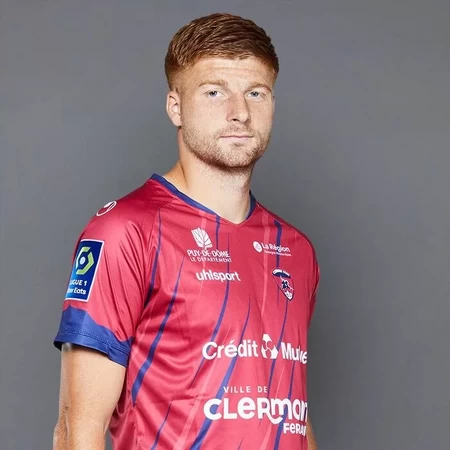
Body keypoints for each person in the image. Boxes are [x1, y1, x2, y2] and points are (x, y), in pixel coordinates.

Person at [53, 12, 320, 450]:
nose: (240, 113)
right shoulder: (125, 232)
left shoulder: (296, 250)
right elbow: (76, 429)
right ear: (175, 107)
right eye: (214, 92)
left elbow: (289, 410)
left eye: (255, 93)